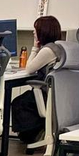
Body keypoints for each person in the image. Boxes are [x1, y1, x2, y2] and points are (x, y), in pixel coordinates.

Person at [9, 14, 63, 142]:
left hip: (47, 95)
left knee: (19, 103)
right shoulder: (59, 47)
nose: (34, 32)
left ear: (44, 31)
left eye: (36, 29)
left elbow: (29, 69)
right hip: (59, 96)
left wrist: (34, 47)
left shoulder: (48, 50)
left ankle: (33, 137)